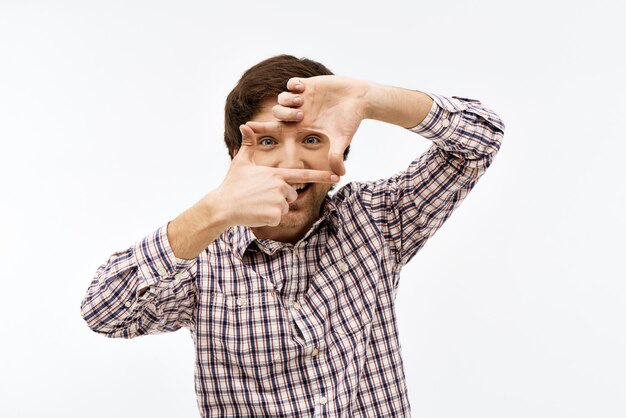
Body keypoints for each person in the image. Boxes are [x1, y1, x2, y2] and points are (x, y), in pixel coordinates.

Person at [80, 54, 505, 417]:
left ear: (341, 150)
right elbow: (104, 312)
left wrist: (369, 99)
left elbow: (482, 138)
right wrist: (214, 209)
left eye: (312, 139)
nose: (290, 160)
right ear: (236, 155)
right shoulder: (202, 260)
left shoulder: (379, 220)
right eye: (267, 140)